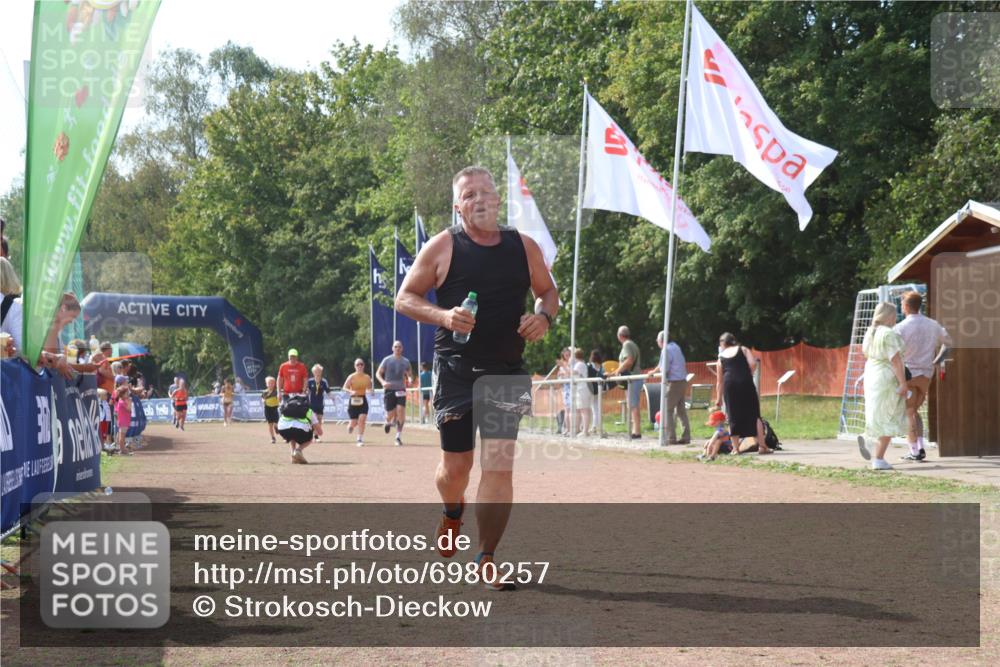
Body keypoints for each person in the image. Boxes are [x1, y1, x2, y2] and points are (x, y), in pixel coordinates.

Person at [395, 165, 558, 589]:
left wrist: (543, 317)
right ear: (457, 205)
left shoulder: (523, 247)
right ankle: (452, 512)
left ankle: (486, 555)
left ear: (498, 200)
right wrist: (444, 316)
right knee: (457, 468)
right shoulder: (443, 247)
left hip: (506, 369)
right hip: (456, 372)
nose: (480, 200)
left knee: (499, 467)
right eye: (469, 195)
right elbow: (405, 298)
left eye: (486, 192)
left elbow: (549, 292)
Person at [893, 291, 952, 461]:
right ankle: (919, 447)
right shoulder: (933, 324)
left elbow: (894, 353)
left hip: (909, 373)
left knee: (908, 412)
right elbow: (949, 342)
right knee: (914, 411)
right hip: (926, 374)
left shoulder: (900, 327)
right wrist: (937, 360)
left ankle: (914, 451)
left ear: (905, 306)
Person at [857, 302, 908, 471]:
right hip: (886, 377)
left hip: (871, 375)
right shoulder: (888, 334)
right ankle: (878, 459)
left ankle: (868, 439)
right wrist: (903, 383)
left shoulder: (871, 332)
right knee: (890, 416)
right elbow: (896, 360)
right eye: (894, 315)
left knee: (876, 413)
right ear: (889, 316)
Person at [715, 332, 772, 455]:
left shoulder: (720, 357)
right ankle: (762, 446)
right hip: (745, 383)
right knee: (754, 414)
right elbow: (752, 364)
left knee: (732, 415)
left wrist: (718, 398)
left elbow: (719, 381)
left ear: (723, 344)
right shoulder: (743, 349)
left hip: (729, 385)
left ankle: (736, 449)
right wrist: (747, 374)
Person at [653, 331, 691, 445]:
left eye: (657, 340)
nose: (656, 342)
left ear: (661, 340)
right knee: (681, 411)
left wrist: (656, 372)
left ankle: (671, 438)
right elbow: (662, 365)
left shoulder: (665, 350)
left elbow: (664, 368)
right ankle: (686, 436)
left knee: (666, 410)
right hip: (682, 381)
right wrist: (654, 371)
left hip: (674, 382)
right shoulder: (675, 347)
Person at [376, 341, 412, 446]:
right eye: (396, 347)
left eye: (399, 347)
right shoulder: (387, 360)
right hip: (389, 389)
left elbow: (409, 374)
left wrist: (409, 379)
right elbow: (378, 373)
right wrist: (383, 382)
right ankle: (387, 422)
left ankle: (398, 436)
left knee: (401, 411)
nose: (397, 348)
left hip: (401, 389)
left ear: (402, 348)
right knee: (390, 414)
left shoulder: (406, 361)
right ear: (392, 348)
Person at [610, 326, 643, 439]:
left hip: (632, 379)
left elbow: (629, 360)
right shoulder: (632, 344)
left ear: (619, 336)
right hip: (634, 378)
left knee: (633, 405)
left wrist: (617, 371)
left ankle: (636, 431)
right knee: (633, 405)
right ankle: (635, 430)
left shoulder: (627, 345)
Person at [276, 395, 322, 464]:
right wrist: (313, 430)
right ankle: (298, 450)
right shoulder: (309, 410)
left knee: (292, 436)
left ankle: (293, 455)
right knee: (310, 438)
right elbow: (320, 432)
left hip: (282, 429)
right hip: (300, 430)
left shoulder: (286, 407)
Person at [343, 359, 373, 447]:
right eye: (357, 365)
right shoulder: (351, 377)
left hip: (363, 399)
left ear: (364, 366)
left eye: (361, 364)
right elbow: (344, 387)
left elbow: (370, 388)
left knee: (362, 419)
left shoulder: (367, 377)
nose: (359, 366)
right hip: (353, 400)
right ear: (355, 366)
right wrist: (351, 392)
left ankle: (359, 439)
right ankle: (351, 426)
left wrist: (371, 391)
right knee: (354, 422)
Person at [307, 364, 331, 440]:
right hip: (311, 404)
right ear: (313, 372)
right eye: (316, 371)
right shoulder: (310, 381)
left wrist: (333, 398)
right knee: (313, 419)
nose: (317, 372)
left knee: (319, 419)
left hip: (320, 404)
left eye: (319, 371)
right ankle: (311, 434)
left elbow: (328, 391)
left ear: (321, 372)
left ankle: (316, 435)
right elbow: (306, 391)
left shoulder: (324, 381)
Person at [571, 348, 592, 436]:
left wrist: (565, 365)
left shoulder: (579, 364)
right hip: (581, 388)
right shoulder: (580, 364)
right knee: (581, 410)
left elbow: (572, 372)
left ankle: (585, 431)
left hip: (582, 388)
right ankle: (580, 429)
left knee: (584, 410)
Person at [587, 350, 605, 432]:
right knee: (596, 408)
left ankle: (593, 426)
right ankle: (596, 426)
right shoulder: (601, 366)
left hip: (590, 389)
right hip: (599, 388)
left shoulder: (589, 365)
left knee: (591, 408)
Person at [555, 347, 572, 435]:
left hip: (573, 387)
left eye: (569, 355)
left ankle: (572, 428)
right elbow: (560, 378)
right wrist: (561, 374)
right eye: (566, 355)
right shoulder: (563, 364)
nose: (567, 356)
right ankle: (567, 428)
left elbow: (570, 374)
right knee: (567, 409)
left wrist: (564, 368)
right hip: (566, 388)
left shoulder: (571, 363)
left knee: (573, 409)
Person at [114, 384, 133, 456]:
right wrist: (130, 402)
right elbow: (129, 409)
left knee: (122, 435)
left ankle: (122, 449)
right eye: (127, 393)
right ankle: (122, 450)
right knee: (122, 436)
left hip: (124, 421)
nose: (128, 394)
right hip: (123, 421)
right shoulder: (122, 401)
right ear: (123, 394)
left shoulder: (122, 400)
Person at [261, 376, 280, 443]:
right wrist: (263, 400)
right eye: (269, 383)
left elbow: (279, 398)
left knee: (276, 423)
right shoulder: (265, 392)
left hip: (275, 408)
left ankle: (276, 427)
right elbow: (262, 398)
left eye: (272, 383)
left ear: (274, 383)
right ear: (266, 384)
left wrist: (279, 400)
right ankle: (273, 438)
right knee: (270, 424)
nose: (271, 384)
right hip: (267, 409)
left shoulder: (276, 391)